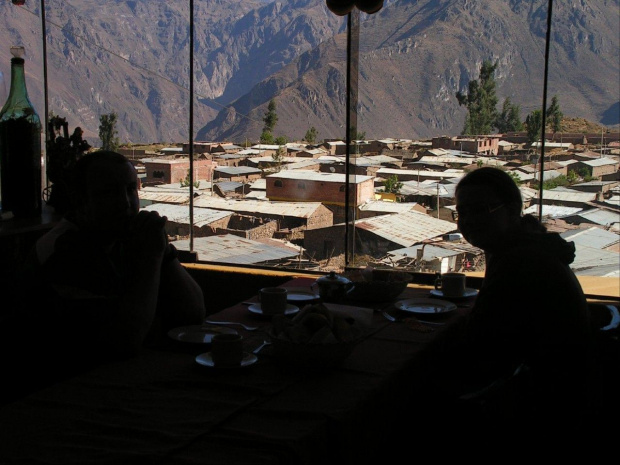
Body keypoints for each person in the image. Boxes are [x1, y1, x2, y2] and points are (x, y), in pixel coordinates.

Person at [10, 151, 206, 390]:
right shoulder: (65, 251)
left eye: (130, 189)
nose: (125, 202)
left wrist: (164, 251)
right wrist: (151, 258)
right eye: (109, 192)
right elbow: (124, 341)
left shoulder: (124, 237)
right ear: (81, 200)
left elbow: (194, 314)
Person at [424, 167, 593, 436]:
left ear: (513, 210)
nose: (467, 221)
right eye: (463, 212)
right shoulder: (519, 248)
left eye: (480, 210)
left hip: (542, 403)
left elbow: (487, 350)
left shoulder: (521, 262)